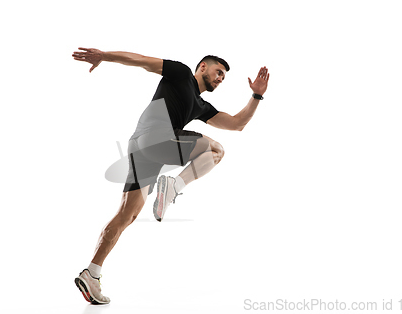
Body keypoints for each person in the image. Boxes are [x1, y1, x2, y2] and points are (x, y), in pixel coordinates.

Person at [71, 48, 270, 304]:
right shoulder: (181, 73)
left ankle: (92, 272)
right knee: (216, 150)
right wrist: (104, 56)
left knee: (127, 215)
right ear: (202, 68)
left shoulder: (201, 106)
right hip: (157, 138)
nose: (221, 78)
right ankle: (174, 186)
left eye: (224, 77)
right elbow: (141, 61)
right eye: (218, 72)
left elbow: (236, 123)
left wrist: (256, 95)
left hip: (141, 148)